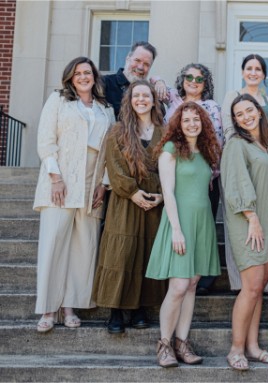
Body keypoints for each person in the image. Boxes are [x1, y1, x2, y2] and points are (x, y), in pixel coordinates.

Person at [33, 56, 114, 332]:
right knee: (54, 245)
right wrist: (55, 178)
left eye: (88, 72)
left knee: (83, 249)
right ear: (70, 77)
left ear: (94, 77)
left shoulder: (106, 109)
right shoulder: (58, 100)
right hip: (62, 182)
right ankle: (47, 308)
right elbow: (46, 140)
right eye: (78, 73)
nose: (83, 77)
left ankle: (69, 306)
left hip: (92, 185)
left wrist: (104, 184)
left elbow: (110, 152)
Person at [146, 101, 222, 368]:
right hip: (180, 223)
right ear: (178, 123)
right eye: (187, 119)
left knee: (191, 286)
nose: (192, 123)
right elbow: (168, 193)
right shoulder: (170, 150)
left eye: (196, 119)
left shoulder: (205, 152)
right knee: (178, 286)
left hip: (202, 223)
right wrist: (176, 229)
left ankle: (182, 343)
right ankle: (164, 344)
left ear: (203, 122)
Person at [92, 80, 168, 334]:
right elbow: (113, 166)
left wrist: (160, 195)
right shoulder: (118, 131)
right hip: (125, 202)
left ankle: (139, 309)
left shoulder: (164, 131)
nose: (142, 99)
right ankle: (115, 310)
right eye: (137, 95)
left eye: (146, 95)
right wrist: (133, 192)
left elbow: (170, 167)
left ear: (154, 100)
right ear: (129, 100)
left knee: (146, 253)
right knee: (121, 253)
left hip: (154, 203)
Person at [221, 94, 268, 371]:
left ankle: (253, 346)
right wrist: (252, 217)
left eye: (250, 110)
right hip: (248, 221)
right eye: (239, 114)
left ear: (260, 112)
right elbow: (236, 183)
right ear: (235, 120)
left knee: (259, 288)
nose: (246, 116)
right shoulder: (237, 145)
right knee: (250, 288)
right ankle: (236, 349)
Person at [221, 54, 268, 296]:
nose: (254, 72)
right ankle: (240, 281)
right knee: (242, 225)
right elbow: (228, 127)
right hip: (243, 158)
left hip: (266, 160)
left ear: (264, 74)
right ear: (243, 71)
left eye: (258, 69)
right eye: (249, 68)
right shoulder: (233, 95)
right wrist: (241, 153)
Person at [161, 63, 224, 295]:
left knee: (202, 226)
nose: (194, 82)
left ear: (205, 84)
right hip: (174, 172)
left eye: (199, 79)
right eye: (189, 77)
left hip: (204, 175)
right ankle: (175, 270)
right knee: (176, 223)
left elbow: (217, 142)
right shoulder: (172, 101)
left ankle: (202, 278)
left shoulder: (212, 107)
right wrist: (158, 80)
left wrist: (211, 172)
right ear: (182, 79)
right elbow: (150, 82)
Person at [102, 41, 167, 119]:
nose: (140, 67)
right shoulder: (104, 83)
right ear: (128, 58)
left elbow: (159, 120)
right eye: (137, 60)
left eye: (146, 64)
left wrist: (159, 81)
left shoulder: (151, 93)